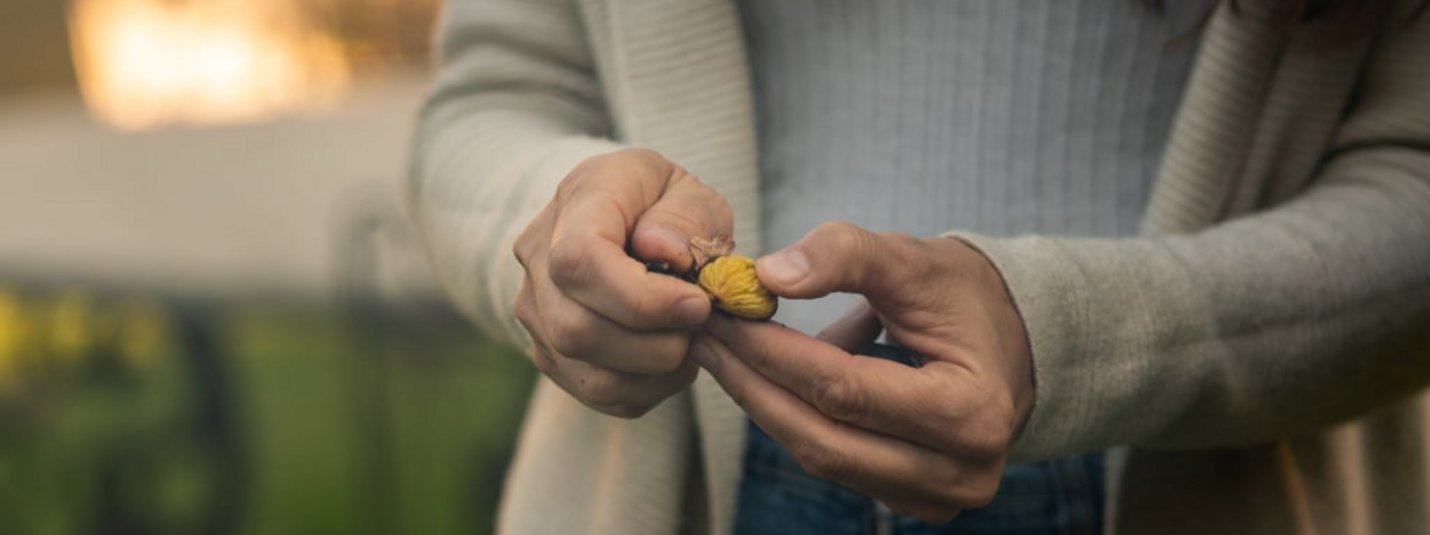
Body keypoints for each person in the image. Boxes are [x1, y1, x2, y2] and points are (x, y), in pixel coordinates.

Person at [408, 0, 1430, 533]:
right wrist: (568, 222)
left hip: (1191, 485)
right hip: (693, 481)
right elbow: (491, 99)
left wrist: (1069, 336)